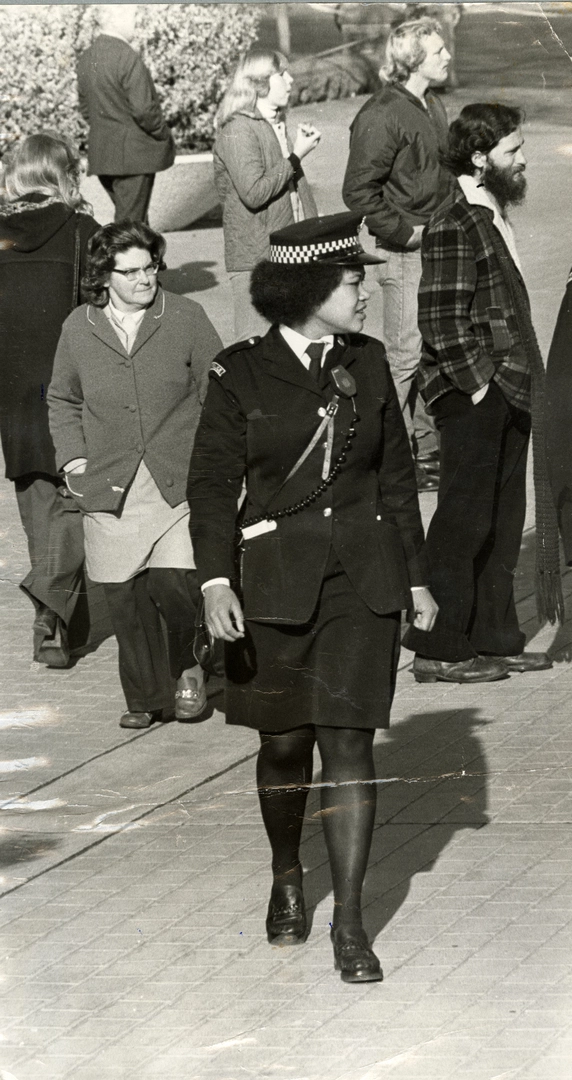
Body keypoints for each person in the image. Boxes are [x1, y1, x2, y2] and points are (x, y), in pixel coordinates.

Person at [188, 212, 438, 982]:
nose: (365, 293)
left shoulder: (366, 364)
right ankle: (288, 874)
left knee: (350, 745)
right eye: (353, 281)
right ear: (309, 290)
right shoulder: (240, 373)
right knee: (286, 745)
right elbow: (210, 484)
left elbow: (396, 475)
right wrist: (215, 578)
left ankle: (352, 927)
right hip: (273, 588)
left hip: (361, 584)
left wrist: (417, 574)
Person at [402, 103, 562, 683]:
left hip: (509, 387)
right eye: (512, 151)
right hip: (476, 390)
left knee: (500, 514)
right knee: (462, 521)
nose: (523, 161)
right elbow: (441, 317)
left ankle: (495, 637)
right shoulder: (455, 221)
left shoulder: (490, 213)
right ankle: (439, 649)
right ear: (479, 157)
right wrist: (478, 387)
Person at [48, 221, 223, 728]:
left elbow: (217, 389)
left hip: (177, 479)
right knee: (124, 596)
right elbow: (62, 398)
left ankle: (190, 668)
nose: (145, 279)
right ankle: (147, 698)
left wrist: (215, 460)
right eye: (131, 272)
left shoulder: (186, 316)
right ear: (104, 277)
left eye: (151, 267)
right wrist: (73, 460)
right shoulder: (78, 328)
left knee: (174, 585)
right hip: (108, 480)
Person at [0, 131, 99, 667]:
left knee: (39, 501)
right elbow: (102, 308)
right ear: (63, 175)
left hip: (13, 392)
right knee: (75, 496)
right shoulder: (83, 232)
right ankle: (51, 609)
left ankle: (57, 627)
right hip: (68, 387)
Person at [342, 16, 453, 492]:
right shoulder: (382, 115)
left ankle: (422, 454)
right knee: (404, 357)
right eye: (438, 50)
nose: (448, 55)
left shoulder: (432, 105)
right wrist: (405, 234)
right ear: (412, 61)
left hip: (440, 248)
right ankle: (380, 459)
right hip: (406, 255)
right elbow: (358, 192)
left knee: (432, 351)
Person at [213, 48, 321, 340]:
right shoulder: (238, 128)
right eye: (281, 74)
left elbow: (293, 192)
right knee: (257, 352)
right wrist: (296, 155)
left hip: (293, 255)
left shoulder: (274, 123)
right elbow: (254, 192)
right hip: (257, 262)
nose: (290, 80)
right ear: (260, 83)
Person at [77, 5, 174, 223]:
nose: (135, 23)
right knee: (131, 226)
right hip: (133, 157)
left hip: (104, 156)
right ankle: (121, 258)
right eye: (132, 16)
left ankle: (146, 257)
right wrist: (162, 133)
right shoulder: (126, 56)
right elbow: (144, 110)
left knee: (134, 221)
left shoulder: (87, 58)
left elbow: (86, 109)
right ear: (115, 18)